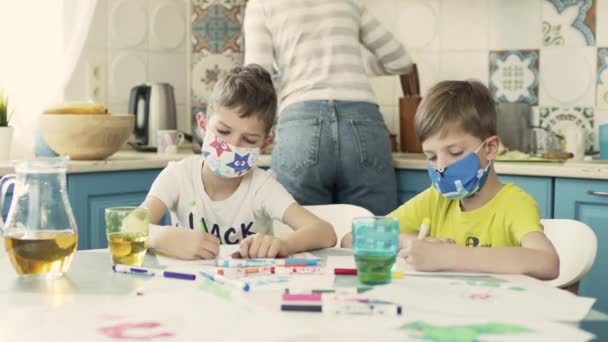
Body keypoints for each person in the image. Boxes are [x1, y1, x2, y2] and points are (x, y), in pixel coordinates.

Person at [342, 80, 559, 280]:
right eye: (431, 157)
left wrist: (448, 256)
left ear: (490, 148)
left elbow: (548, 262)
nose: (441, 167)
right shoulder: (435, 201)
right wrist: (408, 242)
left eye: (454, 152)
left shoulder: (514, 204)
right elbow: (351, 239)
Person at [142, 64, 337, 259]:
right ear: (202, 125)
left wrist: (284, 244)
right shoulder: (178, 176)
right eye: (223, 131)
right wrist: (160, 237)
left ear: (265, 143)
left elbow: (324, 232)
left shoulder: (262, 187)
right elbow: (125, 228)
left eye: (249, 140)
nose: (232, 146)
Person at [244, 0, 413, 215]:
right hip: (363, 123)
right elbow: (400, 61)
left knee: (296, 235)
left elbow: (257, 77)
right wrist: (356, 68)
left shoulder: (262, 4)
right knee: (373, 234)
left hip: (300, 124)